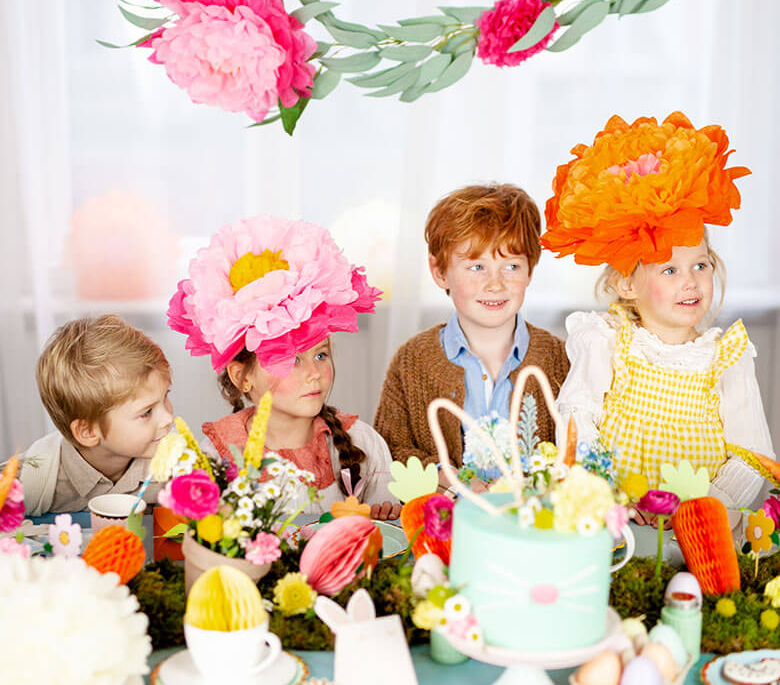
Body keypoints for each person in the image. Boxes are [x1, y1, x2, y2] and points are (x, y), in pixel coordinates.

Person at [545, 112, 774, 516]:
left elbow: (750, 456)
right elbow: (578, 422)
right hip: (616, 520)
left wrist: (698, 511)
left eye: (700, 265)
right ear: (627, 285)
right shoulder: (605, 341)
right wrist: (611, 497)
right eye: (670, 270)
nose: (691, 282)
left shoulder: (728, 358)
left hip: (696, 529)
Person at [168, 214, 400, 519]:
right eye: (292, 360)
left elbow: (391, 533)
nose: (314, 374)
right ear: (242, 377)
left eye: (321, 355)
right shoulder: (215, 459)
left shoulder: (363, 444)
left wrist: (387, 516)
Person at [374, 183, 569, 470]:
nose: (495, 284)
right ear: (440, 272)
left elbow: (582, 447)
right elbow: (390, 449)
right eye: (477, 267)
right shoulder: (411, 361)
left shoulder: (561, 360)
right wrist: (446, 477)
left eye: (512, 266)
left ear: (530, 270)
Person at [21, 315, 173, 515]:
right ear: (88, 432)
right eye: (146, 412)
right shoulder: (31, 481)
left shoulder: (175, 470)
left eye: (165, 396)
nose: (168, 419)